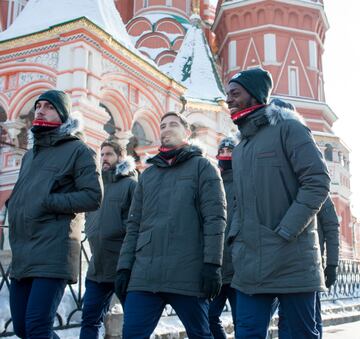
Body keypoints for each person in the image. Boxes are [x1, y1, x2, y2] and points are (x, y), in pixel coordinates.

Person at [226, 68, 331, 338]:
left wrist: (285, 231)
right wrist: (235, 239)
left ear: (255, 94)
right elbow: (238, 203)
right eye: (228, 94)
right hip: (250, 265)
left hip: (292, 260)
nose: (229, 99)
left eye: (235, 93)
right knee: (247, 333)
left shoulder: (289, 128)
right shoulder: (240, 149)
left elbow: (317, 181)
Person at [115, 112, 227, 339]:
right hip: (145, 273)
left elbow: (215, 218)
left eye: (173, 124)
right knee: (131, 334)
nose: (166, 128)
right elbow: (134, 223)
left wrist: (212, 265)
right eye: (162, 125)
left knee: (201, 334)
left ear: (187, 132)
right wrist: (124, 267)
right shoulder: (148, 175)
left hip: (188, 272)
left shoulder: (203, 167)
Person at [6, 90, 102, 339]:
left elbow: (93, 196)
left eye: (48, 106)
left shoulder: (79, 150)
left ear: (63, 114)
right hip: (24, 251)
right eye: (38, 105)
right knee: (23, 329)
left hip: (53, 250)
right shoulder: (30, 155)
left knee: (37, 327)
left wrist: (48, 201)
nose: (40, 109)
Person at [268, 99, 340, 339]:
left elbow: (330, 226)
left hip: (306, 265)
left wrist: (331, 264)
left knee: (305, 324)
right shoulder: (274, 180)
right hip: (273, 261)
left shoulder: (314, 185)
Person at [80, 139, 137, 339]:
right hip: (97, 266)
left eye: (109, 154)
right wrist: (91, 228)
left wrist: (115, 230)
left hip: (122, 266)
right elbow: (89, 214)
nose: (104, 158)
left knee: (133, 323)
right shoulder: (96, 185)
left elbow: (136, 222)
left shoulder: (131, 184)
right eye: (102, 154)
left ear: (120, 157)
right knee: (89, 319)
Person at [209, 137, 237, 339]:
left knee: (243, 323)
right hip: (217, 268)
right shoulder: (212, 185)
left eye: (230, 150)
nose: (226, 155)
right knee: (208, 317)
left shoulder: (245, 183)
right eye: (222, 151)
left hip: (239, 269)